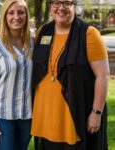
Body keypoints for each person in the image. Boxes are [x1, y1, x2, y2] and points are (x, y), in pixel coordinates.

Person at [31, 0, 110, 150]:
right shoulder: (42, 32)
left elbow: (103, 76)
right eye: (56, 3)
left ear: (74, 5)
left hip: (75, 117)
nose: (61, 8)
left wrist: (96, 112)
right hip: (46, 115)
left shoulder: (89, 34)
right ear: (50, 6)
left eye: (67, 3)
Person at [0, 0, 33, 150]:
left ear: (26, 15)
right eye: (11, 12)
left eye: (21, 12)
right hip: (2, 115)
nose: (16, 17)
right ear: (4, 16)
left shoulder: (33, 43)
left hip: (28, 114)